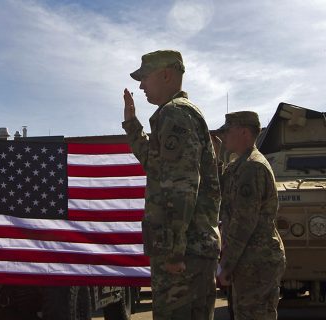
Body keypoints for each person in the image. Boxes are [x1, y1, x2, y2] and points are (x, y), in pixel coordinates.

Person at [122, 50, 221, 319]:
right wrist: (132, 126)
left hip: (184, 255)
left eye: (144, 77)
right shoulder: (176, 114)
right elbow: (158, 168)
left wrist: (175, 251)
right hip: (189, 251)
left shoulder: (175, 114)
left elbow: (182, 187)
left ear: (165, 74)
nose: (141, 85)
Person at [217, 111, 286, 319]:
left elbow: (243, 222)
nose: (224, 137)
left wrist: (226, 265)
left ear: (244, 132)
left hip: (256, 262)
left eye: (228, 132)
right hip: (251, 260)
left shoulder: (252, 168)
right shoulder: (241, 166)